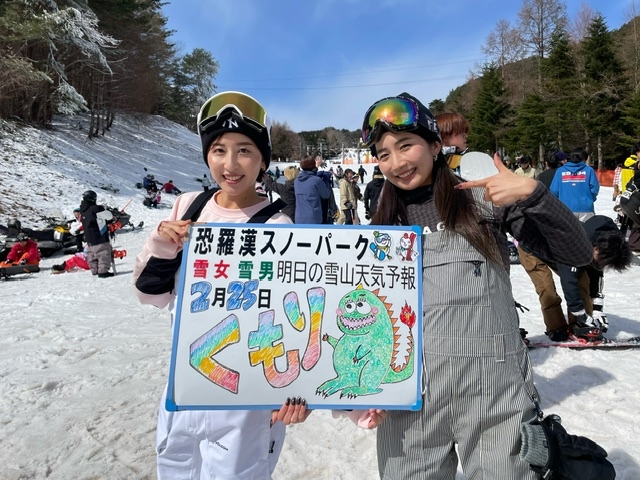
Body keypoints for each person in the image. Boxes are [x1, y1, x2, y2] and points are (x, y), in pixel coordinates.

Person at [358, 92, 593, 479]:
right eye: (383, 154)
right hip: (409, 399)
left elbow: (578, 252)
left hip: (494, 394)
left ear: (435, 145)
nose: (396, 163)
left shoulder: (486, 201)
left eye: (406, 146)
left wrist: (534, 195)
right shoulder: (382, 230)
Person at [133, 91, 309, 480]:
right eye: (218, 150)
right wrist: (164, 242)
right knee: (176, 467)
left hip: (247, 396)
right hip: (187, 382)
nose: (230, 164)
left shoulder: (277, 226)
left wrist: (297, 391)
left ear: (263, 160)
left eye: (245, 150)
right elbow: (152, 295)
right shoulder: (189, 206)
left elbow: (289, 316)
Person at [550, 147, 600, 221]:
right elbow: (594, 189)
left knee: (567, 231)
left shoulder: (560, 171)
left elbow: (554, 190)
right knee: (586, 231)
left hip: (565, 208)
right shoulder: (589, 170)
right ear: (584, 159)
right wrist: (589, 199)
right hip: (585, 208)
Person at [79, 190, 114, 278]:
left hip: (89, 237)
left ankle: (94, 270)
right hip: (99, 235)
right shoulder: (96, 208)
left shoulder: (82, 210)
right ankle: (103, 271)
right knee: (103, 253)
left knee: (92, 255)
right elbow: (109, 216)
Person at [294, 155, 331, 224]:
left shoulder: (297, 181)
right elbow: (326, 195)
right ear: (313, 166)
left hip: (299, 217)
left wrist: (316, 166)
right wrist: (326, 181)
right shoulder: (316, 180)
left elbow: (308, 174)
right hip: (313, 217)